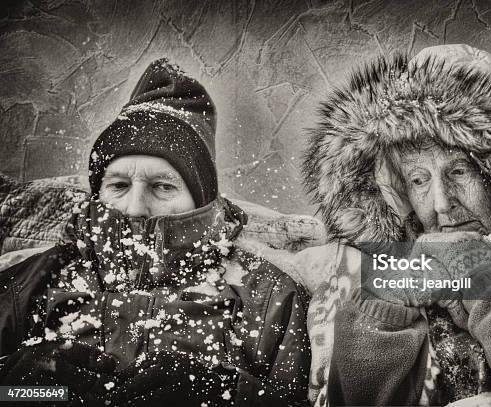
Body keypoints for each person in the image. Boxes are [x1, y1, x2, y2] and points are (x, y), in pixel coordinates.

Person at [301, 44, 491, 406]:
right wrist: (382, 312)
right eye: (418, 180)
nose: (441, 203)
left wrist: (480, 274)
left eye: (459, 171)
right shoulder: (363, 275)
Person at [0, 59, 310, 407]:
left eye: (163, 187)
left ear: (202, 200)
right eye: (118, 185)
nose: (134, 207)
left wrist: (232, 396)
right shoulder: (31, 284)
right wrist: (19, 389)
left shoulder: (269, 298)